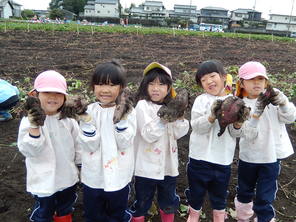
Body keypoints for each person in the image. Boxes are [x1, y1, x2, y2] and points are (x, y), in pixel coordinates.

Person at [234, 61, 296, 222]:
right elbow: (245, 133)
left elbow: (290, 118)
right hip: (249, 155)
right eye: (251, 79)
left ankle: (264, 218)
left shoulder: (273, 96)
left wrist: (283, 103)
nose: (257, 82)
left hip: (271, 156)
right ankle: (244, 216)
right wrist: (255, 117)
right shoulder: (240, 104)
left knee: (265, 194)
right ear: (242, 83)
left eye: (260, 79)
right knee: (244, 190)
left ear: (266, 82)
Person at [17, 70, 81, 222]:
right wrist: (34, 127)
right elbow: (30, 150)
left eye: (58, 93)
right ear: (35, 95)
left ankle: (63, 217)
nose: (52, 97)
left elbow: (78, 144)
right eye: (47, 92)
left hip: (67, 176)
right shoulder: (28, 122)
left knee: (66, 205)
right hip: (43, 180)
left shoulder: (69, 120)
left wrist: (81, 165)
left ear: (65, 97)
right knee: (44, 209)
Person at [77, 60, 136, 222]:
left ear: (121, 88)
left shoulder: (129, 112)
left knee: (116, 213)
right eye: (100, 84)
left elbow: (124, 142)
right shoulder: (89, 111)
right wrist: (87, 122)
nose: (105, 90)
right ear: (93, 87)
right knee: (93, 214)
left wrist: (121, 119)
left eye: (111, 85)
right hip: (93, 176)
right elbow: (90, 145)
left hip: (119, 175)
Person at [131, 62, 190, 222]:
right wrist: (165, 118)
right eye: (151, 84)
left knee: (168, 201)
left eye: (161, 84)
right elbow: (149, 135)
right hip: (145, 168)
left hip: (168, 167)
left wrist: (179, 115)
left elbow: (179, 132)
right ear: (145, 86)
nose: (156, 88)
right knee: (142, 201)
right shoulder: (142, 106)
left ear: (169, 88)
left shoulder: (171, 107)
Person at [185, 60, 242, 222]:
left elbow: (234, 133)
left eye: (212, 76)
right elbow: (196, 127)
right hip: (198, 159)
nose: (209, 81)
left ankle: (218, 217)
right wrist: (211, 116)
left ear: (223, 77)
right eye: (203, 80)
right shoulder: (201, 101)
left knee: (219, 195)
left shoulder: (235, 102)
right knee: (195, 192)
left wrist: (237, 124)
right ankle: (193, 216)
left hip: (222, 160)